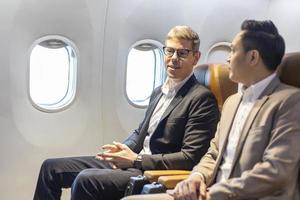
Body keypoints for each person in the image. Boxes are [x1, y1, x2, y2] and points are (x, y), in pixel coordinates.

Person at [33, 25, 220, 200]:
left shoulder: (201, 99)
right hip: (134, 161)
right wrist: (122, 150)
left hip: (150, 171)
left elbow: (190, 158)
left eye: (182, 53)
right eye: (169, 51)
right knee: (51, 168)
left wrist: (136, 160)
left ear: (195, 57)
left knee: (86, 179)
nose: (173, 58)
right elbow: (142, 132)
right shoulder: (159, 91)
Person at [122, 19, 300, 200]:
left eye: (233, 50)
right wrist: (196, 177)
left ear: (253, 57)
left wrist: (215, 193)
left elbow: (275, 171)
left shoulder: (289, 102)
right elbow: (213, 153)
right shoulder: (232, 102)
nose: (228, 58)